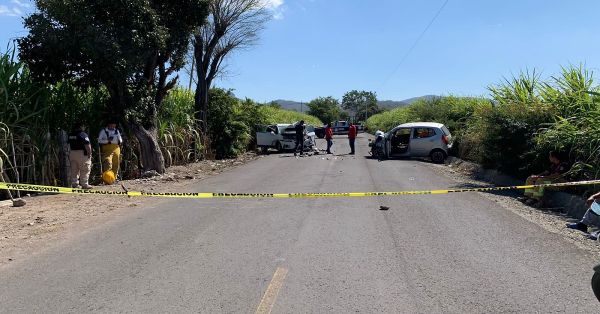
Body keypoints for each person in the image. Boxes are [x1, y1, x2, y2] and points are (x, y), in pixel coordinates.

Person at [68, 123, 93, 189]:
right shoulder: (83, 134)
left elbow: (67, 144)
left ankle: (74, 184)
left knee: (74, 169)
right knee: (85, 168)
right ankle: (84, 184)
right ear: (81, 127)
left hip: (72, 153)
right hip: (82, 154)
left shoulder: (70, 135)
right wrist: (89, 154)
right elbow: (87, 145)